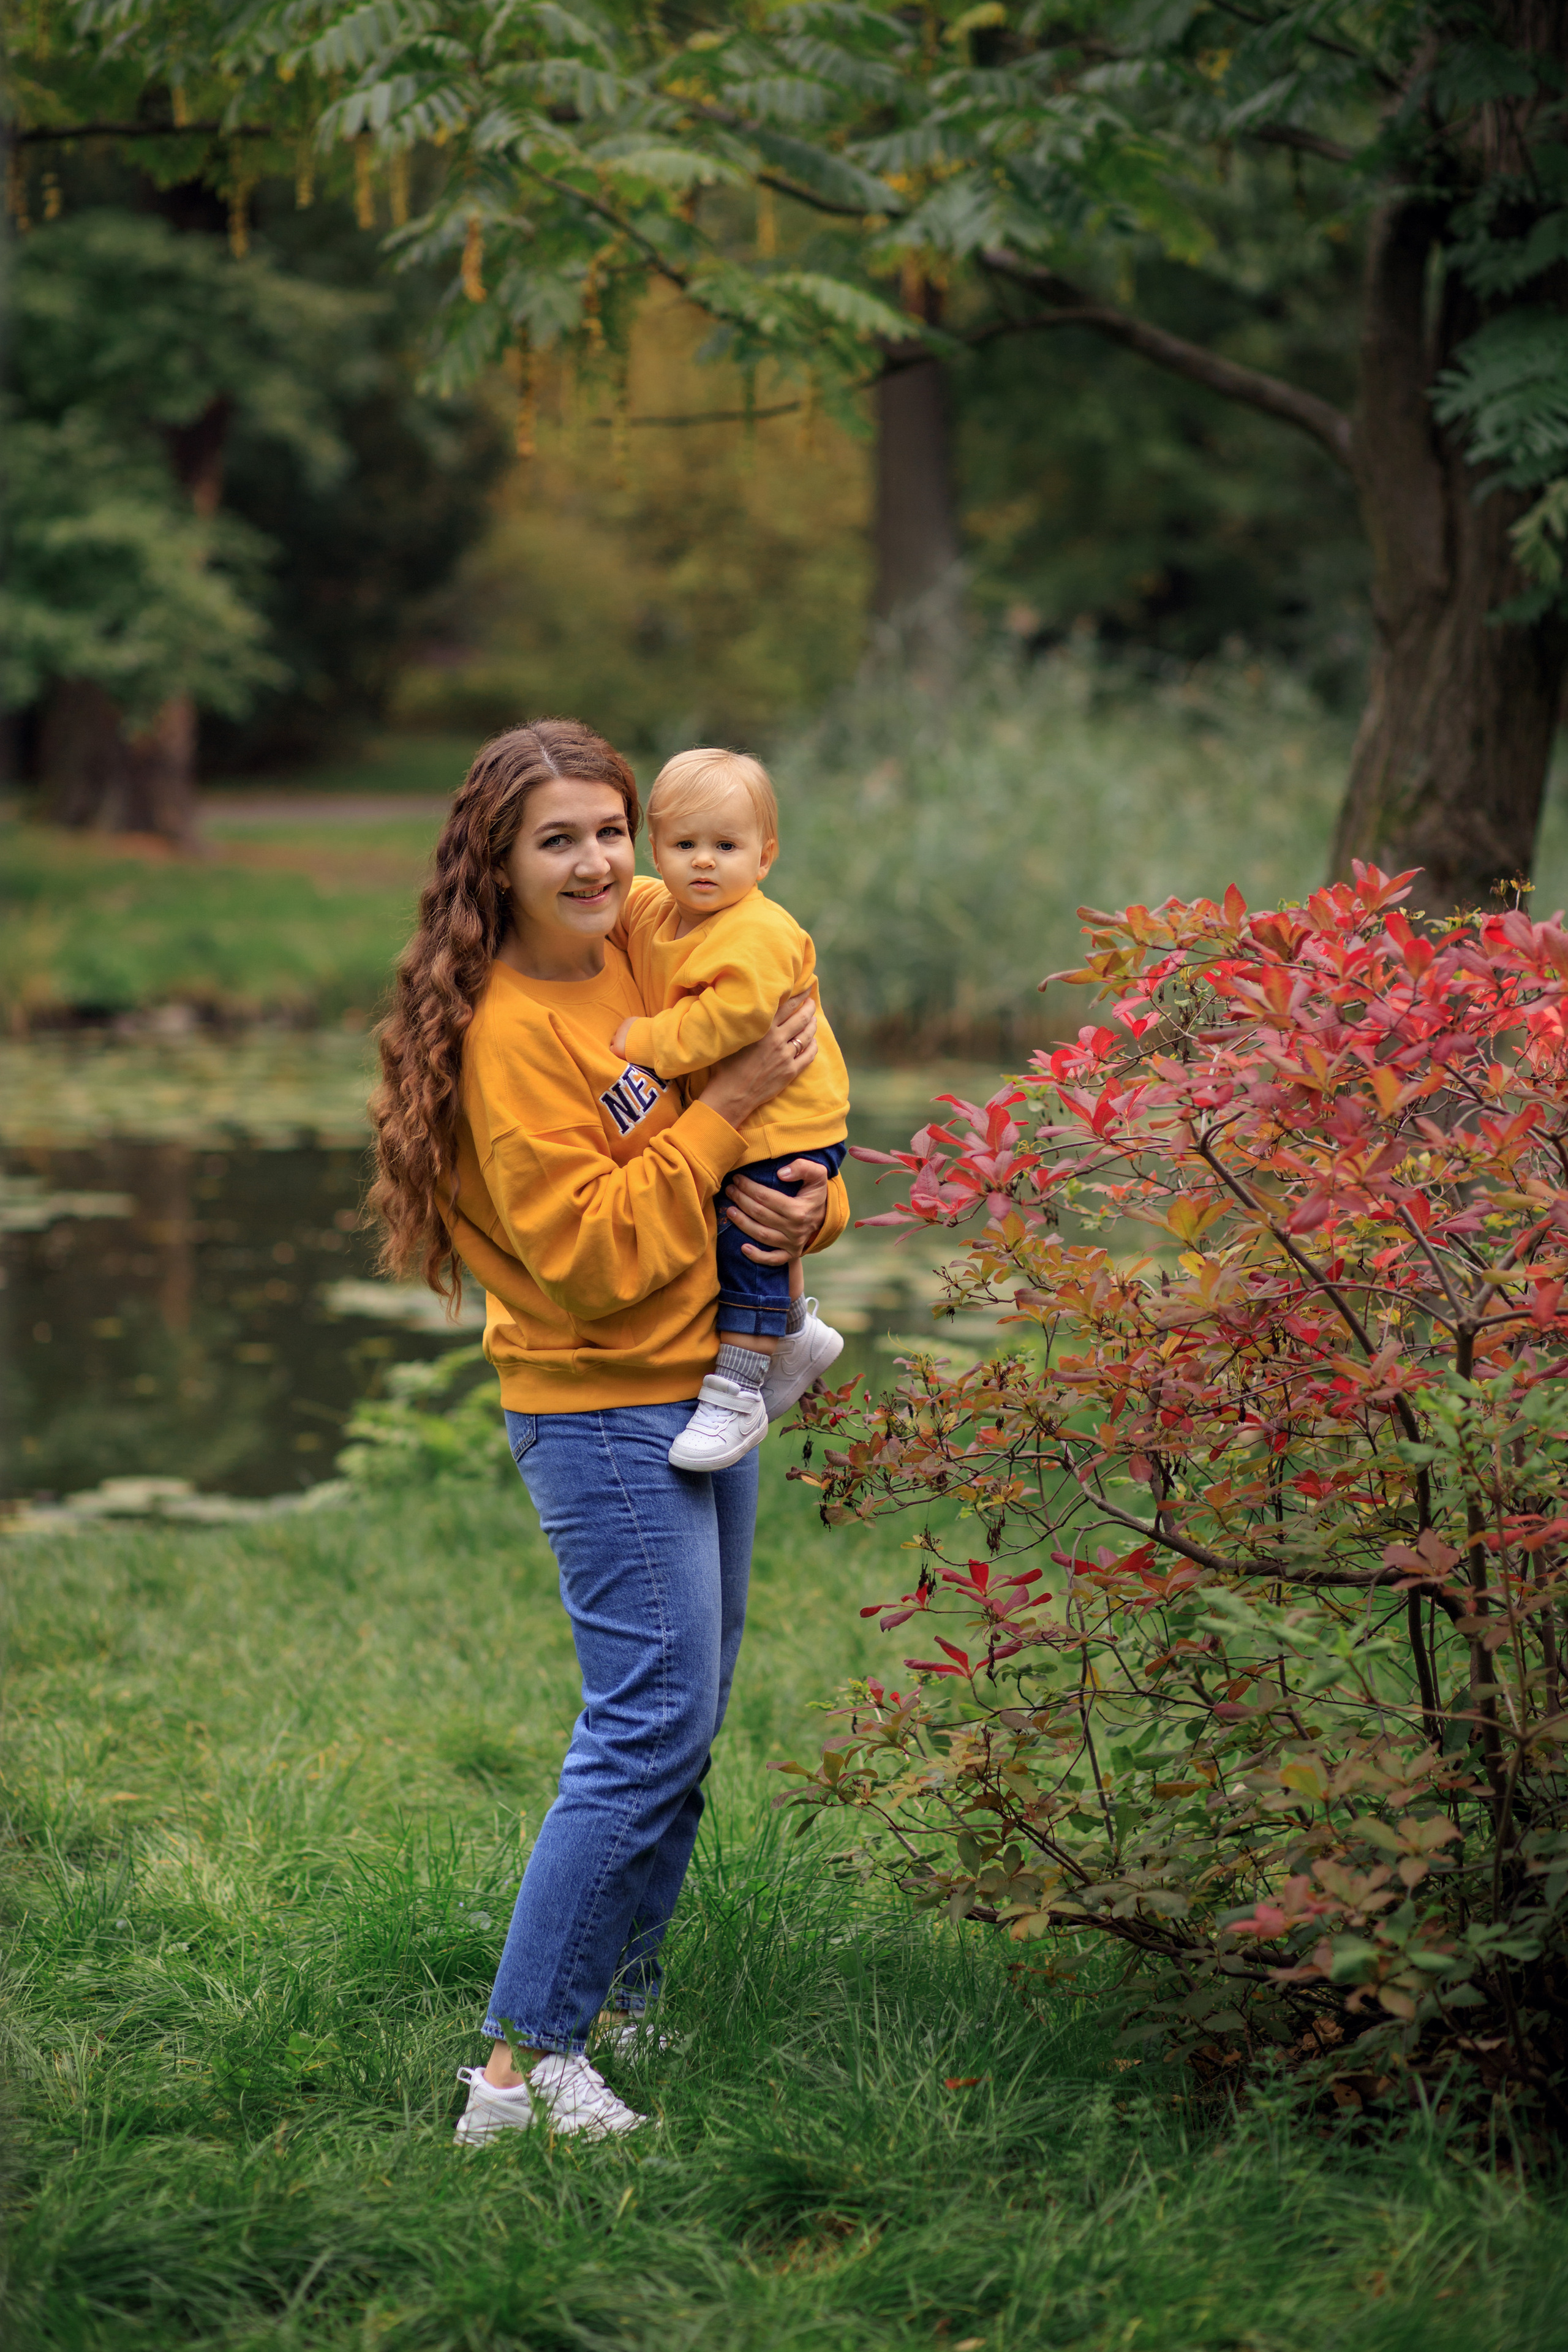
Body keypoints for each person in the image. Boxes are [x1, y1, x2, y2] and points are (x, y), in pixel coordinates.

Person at [368, 718, 848, 2144]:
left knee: (686, 1722)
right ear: (494, 865)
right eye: (554, 838)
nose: (595, 860)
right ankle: (520, 2070)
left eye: (607, 828)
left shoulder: (650, 933)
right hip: (602, 1401)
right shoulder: (514, 1034)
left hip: (710, 1372)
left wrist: (800, 1202)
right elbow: (590, 1254)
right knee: (641, 1723)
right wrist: (733, 1111)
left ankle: (621, 1998)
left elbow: (785, 1060)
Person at [610, 748, 850, 1473]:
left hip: (786, 1124)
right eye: (685, 846)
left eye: (727, 846)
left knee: (745, 1250)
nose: (704, 863)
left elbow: (735, 1018)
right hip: (750, 1122)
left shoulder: (757, 931)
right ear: (655, 852)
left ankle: (737, 1393)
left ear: (765, 857)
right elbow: (619, 898)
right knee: (745, 1233)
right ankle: (797, 1336)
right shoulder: (662, 912)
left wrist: (648, 1041)